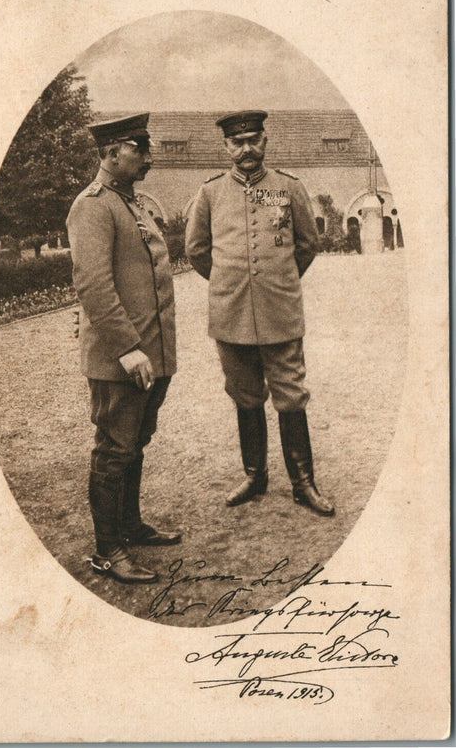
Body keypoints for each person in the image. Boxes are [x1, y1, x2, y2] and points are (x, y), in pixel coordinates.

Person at [185, 110, 334, 516]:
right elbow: (197, 251)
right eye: (237, 142)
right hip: (230, 314)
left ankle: (304, 483)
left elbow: (307, 245)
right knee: (245, 396)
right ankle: (255, 475)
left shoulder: (288, 187)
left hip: (279, 311)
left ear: (265, 141)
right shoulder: (210, 193)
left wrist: (279, 280)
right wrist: (230, 284)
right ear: (226, 147)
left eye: (253, 139)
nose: (246, 148)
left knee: (291, 396)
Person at [66, 113, 181, 585]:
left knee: (135, 442)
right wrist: (129, 348)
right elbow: (94, 285)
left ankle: (129, 528)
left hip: (150, 354)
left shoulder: (132, 203)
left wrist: (153, 352)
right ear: (112, 152)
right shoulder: (93, 206)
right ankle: (108, 550)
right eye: (141, 149)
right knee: (114, 448)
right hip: (122, 359)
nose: (149, 158)